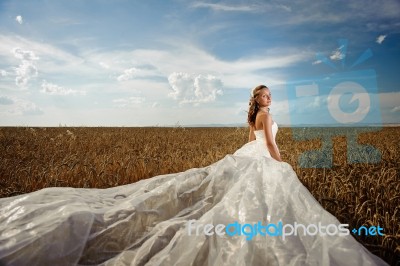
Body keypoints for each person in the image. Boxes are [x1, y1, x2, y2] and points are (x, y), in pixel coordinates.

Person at [0, 85, 388, 266]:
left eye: (270, 95)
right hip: (260, 156)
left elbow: (250, 138)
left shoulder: (250, 115)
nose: (269, 99)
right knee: (271, 203)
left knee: (224, 195)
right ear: (261, 100)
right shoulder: (266, 116)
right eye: (266, 95)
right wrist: (281, 161)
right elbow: (268, 144)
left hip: (245, 153)